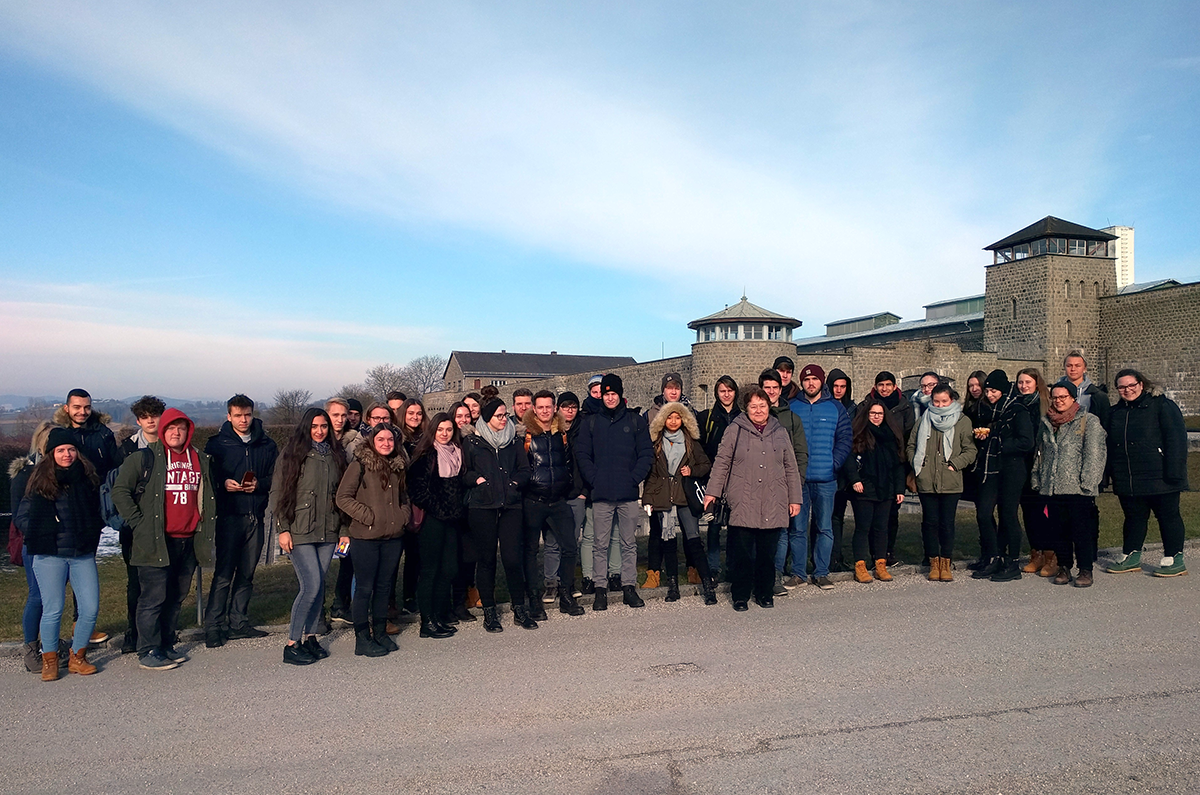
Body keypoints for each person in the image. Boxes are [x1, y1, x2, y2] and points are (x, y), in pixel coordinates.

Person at [112, 408, 216, 671]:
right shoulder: (144, 458)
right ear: (162, 430)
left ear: (189, 430)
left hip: (189, 540)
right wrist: (139, 523)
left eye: (181, 428)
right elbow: (120, 491)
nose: (176, 433)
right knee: (153, 598)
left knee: (176, 596)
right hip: (156, 540)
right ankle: (147, 649)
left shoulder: (199, 459)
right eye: (170, 428)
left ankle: (166, 644)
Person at [15, 429, 104, 680]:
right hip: (48, 554)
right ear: (51, 453)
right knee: (53, 609)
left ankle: (78, 657)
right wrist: (41, 530)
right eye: (61, 450)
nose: (67, 454)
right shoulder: (38, 481)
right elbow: (22, 517)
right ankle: (50, 660)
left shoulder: (87, 479)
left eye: (71, 449)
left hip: (81, 552)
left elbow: (96, 512)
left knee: (90, 607)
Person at [704, 386, 802, 611]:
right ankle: (740, 595)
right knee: (743, 554)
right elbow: (722, 463)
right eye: (753, 406)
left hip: (773, 499)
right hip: (743, 499)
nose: (758, 410)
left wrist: (794, 498)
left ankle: (764, 592)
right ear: (745, 409)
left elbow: (790, 467)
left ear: (769, 406)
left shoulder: (780, 431)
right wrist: (712, 493)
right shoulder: (735, 430)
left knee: (768, 553)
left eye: (762, 405)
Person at [271, 408, 347, 664]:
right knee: (311, 586)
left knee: (319, 586)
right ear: (306, 426)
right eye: (315, 426)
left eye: (324, 426)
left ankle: (311, 636)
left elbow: (343, 495)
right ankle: (292, 643)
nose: (320, 431)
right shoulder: (292, 453)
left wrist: (344, 531)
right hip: (299, 529)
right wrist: (283, 529)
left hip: (328, 529)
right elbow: (279, 493)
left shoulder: (336, 455)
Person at [203, 394, 278, 648]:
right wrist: (223, 484)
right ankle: (213, 625)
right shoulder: (216, 445)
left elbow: (275, 477)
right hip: (228, 516)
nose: (243, 419)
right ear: (229, 416)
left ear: (253, 414)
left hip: (255, 515)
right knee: (223, 574)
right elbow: (207, 479)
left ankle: (238, 622)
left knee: (247, 573)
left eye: (247, 414)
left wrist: (260, 484)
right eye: (238, 415)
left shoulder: (267, 445)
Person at [576, 374, 652, 611]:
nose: (609, 398)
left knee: (628, 543)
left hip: (627, 493)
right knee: (600, 544)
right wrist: (594, 479)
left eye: (613, 394)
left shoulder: (635, 421)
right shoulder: (591, 422)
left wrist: (633, 478)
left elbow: (646, 454)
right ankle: (600, 589)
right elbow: (582, 454)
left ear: (620, 395)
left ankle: (629, 587)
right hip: (601, 494)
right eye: (606, 394)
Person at [335, 424, 410, 657]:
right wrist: (369, 516)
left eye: (390, 439)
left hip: (392, 536)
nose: (386, 443)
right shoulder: (359, 465)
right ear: (372, 441)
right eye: (381, 439)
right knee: (365, 588)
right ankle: (362, 638)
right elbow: (342, 497)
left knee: (384, 587)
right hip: (365, 537)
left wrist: (402, 515)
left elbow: (404, 496)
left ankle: (380, 632)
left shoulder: (398, 466)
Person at [1106, 369, 1190, 577]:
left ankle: (1174, 557)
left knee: (1168, 517)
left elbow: (1176, 441)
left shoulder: (1161, 405)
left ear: (1141, 384)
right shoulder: (1116, 413)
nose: (1127, 390)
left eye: (1131, 385)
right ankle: (1131, 555)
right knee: (1133, 518)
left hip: (1161, 476)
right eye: (1122, 387)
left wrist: (1175, 472)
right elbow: (1111, 446)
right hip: (1130, 477)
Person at [462, 399, 532, 631]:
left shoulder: (514, 441)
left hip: (510, 505)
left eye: (505, 415)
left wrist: (514, 483)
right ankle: (489, 611)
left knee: (512, 559)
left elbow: (524, 470)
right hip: (482, 506)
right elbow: (464, 472)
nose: (504, 419)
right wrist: (478, 481)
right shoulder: (472, 442)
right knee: (487, 560)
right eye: (499, 416)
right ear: (487, 418)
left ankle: (519, 608)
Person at [1032, 382, 1107, 588]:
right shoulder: (1047, 422)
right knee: (1058, 529)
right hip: (1052, 484)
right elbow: (1040, 453)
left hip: (1078, 486)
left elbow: (1095, 454)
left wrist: (1088, 481)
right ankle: (1064, 566)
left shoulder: (1088, 421)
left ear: (1073, 398)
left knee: (1081, 530)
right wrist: (1037, 476)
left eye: (1063, 397)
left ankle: (1085, 569)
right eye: (1055, 397)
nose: (1059, 401)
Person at [643, 402, 718, 604]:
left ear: (683, 420)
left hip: (684, 495)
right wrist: (647, 499)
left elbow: (706, 464)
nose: (673, 421)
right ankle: (673, 585)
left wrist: (691, 471)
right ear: (663, 420)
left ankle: (708, 586)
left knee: (694, 540)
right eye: (669, 417)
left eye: (677, 417)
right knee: (668, 542)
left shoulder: (690, 441)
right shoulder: (656, 443)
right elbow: (651, 475)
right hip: (663, 496)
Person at [521, 391, 585, 617]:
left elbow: (569, 463)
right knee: (529, 552)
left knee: (569, 547)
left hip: (558, 500)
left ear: (554, 408)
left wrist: (570, 487)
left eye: (549, 407)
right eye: (541, 407)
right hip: (533, 501)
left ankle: (566, 595)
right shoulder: (526, 435)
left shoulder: (562, 434)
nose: (545, 411)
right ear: (534, 409)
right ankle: (533, 600)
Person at [787, 364, 849, 590]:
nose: (810, 383)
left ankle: (821, 572)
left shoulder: (835, 408)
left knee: (824, 527)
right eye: (806, 379)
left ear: (822, 382)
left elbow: (844, 439)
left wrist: (833, 463)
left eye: (815, 379)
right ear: (801, 382)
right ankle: (798, 573)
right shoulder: (792, 407)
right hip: (799, 480)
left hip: (826, 479)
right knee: (798, 528)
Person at [907, 384, 976, 582]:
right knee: (929, 522)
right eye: (936, 401)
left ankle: (946, 562)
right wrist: (918, 464)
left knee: (947, 523)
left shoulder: (962, 421)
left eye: (944, 401)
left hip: (950, 480)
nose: (939, 405)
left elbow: (970, 450)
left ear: (952, 400)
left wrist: (955, 464)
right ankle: (933, 561)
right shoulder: (923, 420)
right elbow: (911, 445)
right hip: (926, 478)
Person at [10, 422, 64, 673]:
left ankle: (50, 642)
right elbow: (19, 515)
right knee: (38, 596)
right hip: (35, 543)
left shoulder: (62, 471)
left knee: (53, 597)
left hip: (59, 543)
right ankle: (31, 647)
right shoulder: (25, 475)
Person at [970, 371, 1034, 582]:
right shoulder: (986, 411)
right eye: (987, 390)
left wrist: (1000, 444)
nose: (989, 395)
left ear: (1004, 391)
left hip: (1012, 469)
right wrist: (982, 439)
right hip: (990, 468)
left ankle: (1012, 561)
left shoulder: (1017, 410)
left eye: (994, 391)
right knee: (984, 513)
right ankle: (993, 555)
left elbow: (1026, 441)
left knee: (1008, 515)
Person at [408, 413, 467, 638]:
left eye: (449, 430)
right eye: (440, 429)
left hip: (453, 519)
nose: (444, 434)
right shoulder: (426, 455)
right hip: (433, 520)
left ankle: (439, 615)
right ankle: (427, 621)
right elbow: (418, 491)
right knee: (430, 570)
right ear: (433, 431)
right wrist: (440, 510)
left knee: (450, 568)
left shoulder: (457, 452)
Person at [115, 395, 165, 654]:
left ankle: (160, 633)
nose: (150, 421)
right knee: (135, 582)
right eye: (145, 417)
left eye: (154, 416)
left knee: (162, 583)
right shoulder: (127, 449)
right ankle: (133, 633)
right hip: (135, 527)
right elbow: (119, 488)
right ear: (138, 420)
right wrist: (135, 521)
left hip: (165, 526)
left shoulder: (172, 446)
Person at [843, 398, 906, 583]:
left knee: (881, 528)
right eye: (872, 413)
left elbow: (899, 464)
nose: (876, 417)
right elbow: (849, 459)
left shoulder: (891, 435)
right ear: (866, 415)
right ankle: (860, 565)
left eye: (879, 414)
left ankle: (880, 564)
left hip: (886, 487)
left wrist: (899, 489)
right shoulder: (859, 433)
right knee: (863, 527)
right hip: (864, 487)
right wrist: (854, 479)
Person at [644, 372, 697, 588]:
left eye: (677, 387)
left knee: (688, 529)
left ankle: (692, 569)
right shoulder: (650, 414)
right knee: (658, 531)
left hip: (683, 481)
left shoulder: (691, 412)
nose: (673, 391)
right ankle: (654, 573)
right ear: (663, 390)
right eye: (669, 388)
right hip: (660, 480)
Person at [760, 369, 810, 593]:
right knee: (770, 532)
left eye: (775, 388)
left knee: (791, 530)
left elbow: (800, 452)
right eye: (767, 388)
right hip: (762, 483)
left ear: (781, 390)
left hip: (787, 483)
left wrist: (796, 483)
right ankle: (769, 574)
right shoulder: (755, 415)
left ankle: (788, 573)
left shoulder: (792, 418)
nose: (771, 392)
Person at [861, 372, 915, 566]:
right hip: (872, 464)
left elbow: (909, 433)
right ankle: (870, 554)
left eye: (888, 385)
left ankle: (887, 552)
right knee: (870, 518)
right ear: (875, 387)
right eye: (880, 385)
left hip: (895, 460)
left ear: (894, 386)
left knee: (891, 515)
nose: (884, 388)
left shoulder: (905, 406)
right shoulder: (867, 404)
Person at [697, 375, 740, 578]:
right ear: (717, 393)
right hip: (713, 478)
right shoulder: (707, 418)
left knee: (735, 527)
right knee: (713, 526)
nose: (726, 394)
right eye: (722, 391)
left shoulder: (742, 416)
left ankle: (733, 566)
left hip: (737, 479)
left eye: (730, 390)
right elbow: (701, 448)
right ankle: (714, 567)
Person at [1014, 368, 1054, 576]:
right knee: (1029, 511)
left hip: (1043, 463)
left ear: (1036, 383)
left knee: (1045, 512)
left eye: (1027, 382)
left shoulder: (1045, 404)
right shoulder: (1016, 404)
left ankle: (1050, 555)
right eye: (1020, 382)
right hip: (1023, 464)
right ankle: (1035, 553)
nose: (1023, 386)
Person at [325, 397, 361, 626]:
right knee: (318, 565)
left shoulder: (356, 441)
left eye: (343, 415)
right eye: (335, 415)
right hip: (322, 509)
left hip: (347, 507)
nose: (339, 420)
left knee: (348, 558)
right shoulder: (317, 438)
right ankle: (316, 614)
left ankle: (341, 604)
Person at [392, 398, 427, 617]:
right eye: (411, 413)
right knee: (395, 556)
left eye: (419, 414)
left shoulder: (425, 438)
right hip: (400, 500)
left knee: (416, 554)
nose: (415, 417)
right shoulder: (397, 439)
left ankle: (410, 596)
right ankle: (391, 603)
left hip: (420, 501)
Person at [54, 388, 123, 481]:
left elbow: (115, 466)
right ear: (66, 408)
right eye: (77, 407)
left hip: (100, 490)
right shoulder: (58, 435)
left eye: (87, 407)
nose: (82, 412)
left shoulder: (103, 434)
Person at [827, 369, 856, 574]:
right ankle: (829, 559)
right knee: (828, 518)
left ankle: (838, 557)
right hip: (830, 467)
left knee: (840, 517)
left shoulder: (853, 408)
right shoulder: (826, 407)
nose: (839, 390)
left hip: (848, 469)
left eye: (842, 386)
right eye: (835, 386)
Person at [1062, 351, 1111, 431]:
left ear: (1084, 369)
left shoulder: (1098, 396)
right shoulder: (1053, 393)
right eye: (1069, 365)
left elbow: (1104, 424)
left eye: (1077, 366)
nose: (1073, 369)